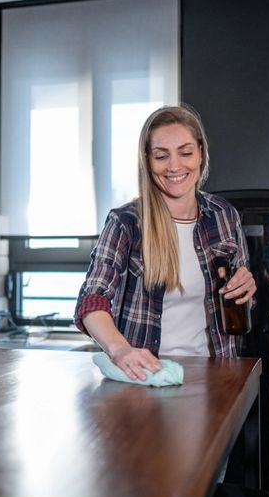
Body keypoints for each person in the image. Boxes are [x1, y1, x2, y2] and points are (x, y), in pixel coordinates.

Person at [74, 105, 256, 381]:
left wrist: (246, 292)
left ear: (201, 154)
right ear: (147, 161)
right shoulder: (125, 223)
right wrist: (120, 350)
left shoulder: (223, 215)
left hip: (215, 379)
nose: (174, 166)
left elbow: (242, 302)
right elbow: (91, 301)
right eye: (161, 156)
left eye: (185, 153)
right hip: (147, 380)